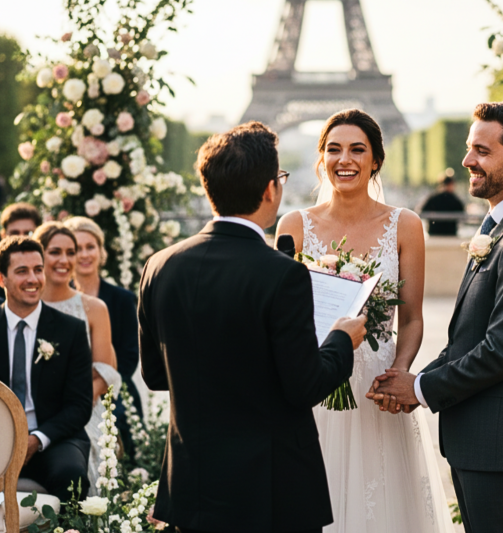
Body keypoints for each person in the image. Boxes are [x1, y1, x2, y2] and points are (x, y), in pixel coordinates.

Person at [139, 121, 367, 533]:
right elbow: (305, 385)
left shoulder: (159, 266)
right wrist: (340, 340)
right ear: (269, 190)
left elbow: (156, 375)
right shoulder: (282, 275)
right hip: (270, 490)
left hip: (192, 487)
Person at [369, 102, 503, 531]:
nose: (466, 161)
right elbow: (468, 337)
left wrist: (419, 387)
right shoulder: (500, 228)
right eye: (468, 147)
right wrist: (410, 382)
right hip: (484, 442)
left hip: (502, 445)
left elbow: (501, 352)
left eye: (481, 150)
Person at [276, 109, 454, 533]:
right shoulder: (294, 226)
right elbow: (279, 317)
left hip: (379, 384)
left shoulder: (405, 225)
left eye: (358, 149)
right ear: (321, 159)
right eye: (334, 149)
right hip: (316, 380)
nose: (345, 160)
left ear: (376, 159)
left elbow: (411, 318)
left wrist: (400, 374)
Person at [0, 236, 93, 500]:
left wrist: (37, 439)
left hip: (53, 439)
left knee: (71, 476)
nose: (33, 279)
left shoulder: (71, 330)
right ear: (1, 279)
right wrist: (3, 440)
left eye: (38, 270)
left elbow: (79, 405)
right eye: (22, 271)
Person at [33, 222, 120, 495]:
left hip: (83, 405)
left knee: (91, 448)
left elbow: (105, 372)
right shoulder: (25, 304)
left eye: (70, 253)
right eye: (55, 252)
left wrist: (75, 404)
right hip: (31, 410)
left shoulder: (94, 308)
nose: (65, 260)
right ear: (40, 256)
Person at [65, 216, 142, 451]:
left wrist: (99, 385)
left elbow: (129, 356)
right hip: (66, 391)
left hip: (115, 392)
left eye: (91, 247)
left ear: (101, 251)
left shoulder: (122, 299)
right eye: (77, 249)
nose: (85, 255)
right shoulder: (57, 299)